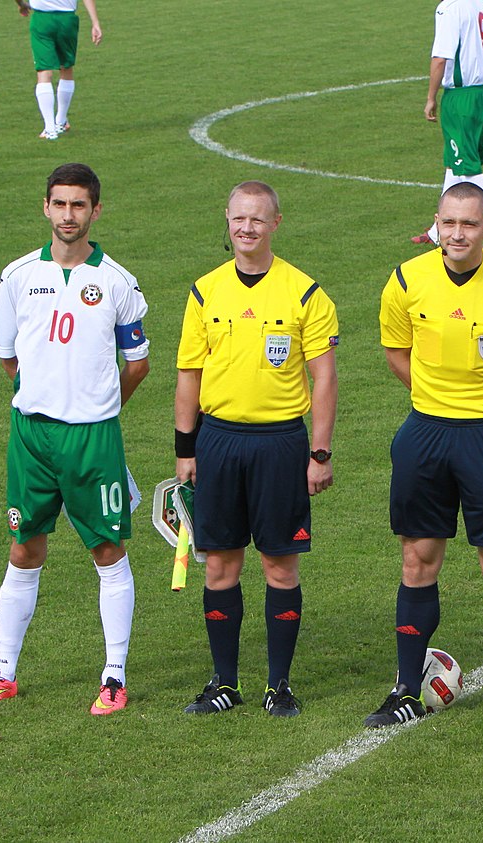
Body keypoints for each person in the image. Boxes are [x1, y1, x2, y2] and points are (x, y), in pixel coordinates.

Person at [366, 182, 483, 732]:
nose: (457, 234)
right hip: (424, 434)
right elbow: (395, 353)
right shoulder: (405, 280)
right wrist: (435, 399)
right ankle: (405, 688)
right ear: (436, 224)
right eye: (449, 223)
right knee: (417, 558)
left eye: (469, 224)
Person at [0, 162, 149, 715]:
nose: (68, 214)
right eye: (60, 203)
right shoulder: (17, 276)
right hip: (31, 436)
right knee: (24, 548)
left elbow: (138, 364)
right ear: (45, 207)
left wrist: (96, 407)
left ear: (96, 210)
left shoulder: (118, 282)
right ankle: (3, 671)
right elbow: (9, 358)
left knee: (106, 549)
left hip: (93, 439)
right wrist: (44, 397)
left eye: (79, 205)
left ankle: (114, 676)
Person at [174, 181, 338, 717]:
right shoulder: (204, 292)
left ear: (276, 223)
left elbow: (325, 378)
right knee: (219, 565)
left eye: (258, 220)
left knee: (280, 567)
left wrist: (319, 452)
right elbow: (188, 376)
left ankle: (279, 684)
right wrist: (185, 449)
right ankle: (224, 682)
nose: (247, 228)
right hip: (218, 441)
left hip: (280, 445)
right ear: (226, 219)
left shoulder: (306, 294)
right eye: (239, 219)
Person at [412, 0, 483, 250]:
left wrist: (431, 97)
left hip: (460, 97)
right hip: (480, 92)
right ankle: (439, 230)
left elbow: (441, 57)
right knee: (455, 161)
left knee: (467, 165)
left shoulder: (450, 8)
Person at [15, 0, 102, 140]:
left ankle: (50, 129)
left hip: (42, 20)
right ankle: (60, 121)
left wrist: (21, 4)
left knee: (44, 72)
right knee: (66, 68)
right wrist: (95, 22)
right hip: (67, 20)